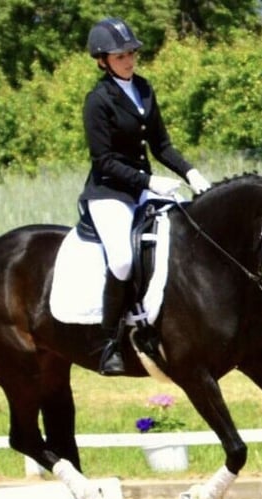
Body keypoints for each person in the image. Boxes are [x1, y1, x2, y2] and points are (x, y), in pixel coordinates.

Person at [79, 17, 212, 376]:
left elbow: (161, 145)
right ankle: (109, 343)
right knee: (122, 259)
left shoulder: (144, 88)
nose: (129, 59)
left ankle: (172, 320)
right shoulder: (98, 101)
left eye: (132, 52)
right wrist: (149, 182)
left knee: (184, 236)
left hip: (141, 189)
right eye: (120, 55)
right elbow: (103, 161)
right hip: (110, 194)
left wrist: (191, 173)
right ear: (103, 60)